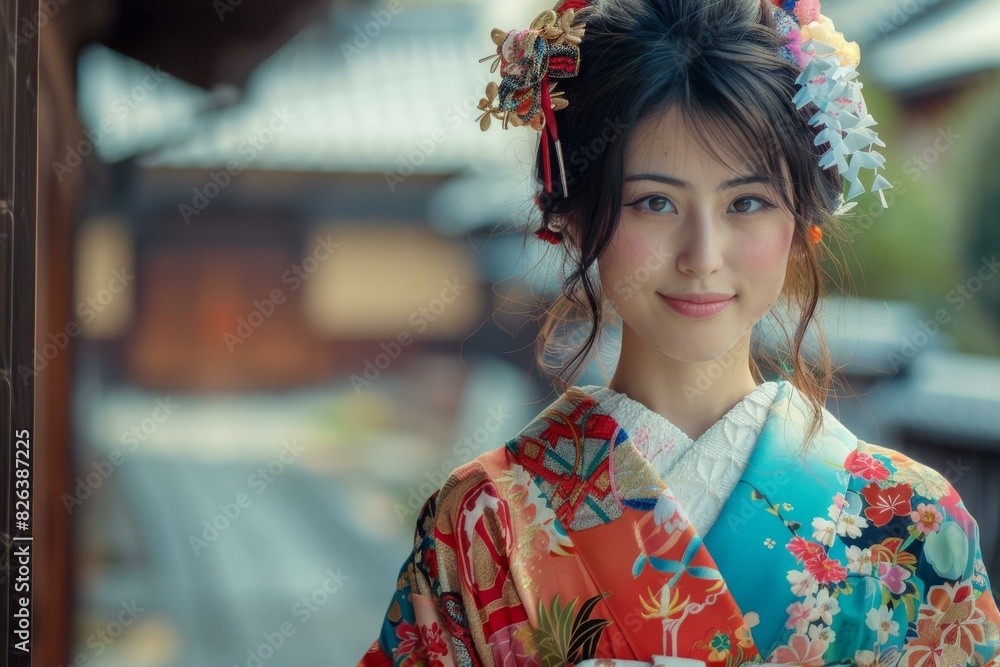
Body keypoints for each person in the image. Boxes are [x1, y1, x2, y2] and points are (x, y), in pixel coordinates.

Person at [358, 0, 1000, 664]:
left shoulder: (910, 522)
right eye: (654, 202)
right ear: (575, 218)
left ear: (802, 221)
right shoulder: (483, 522)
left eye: (746, 202)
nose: (702, 254)